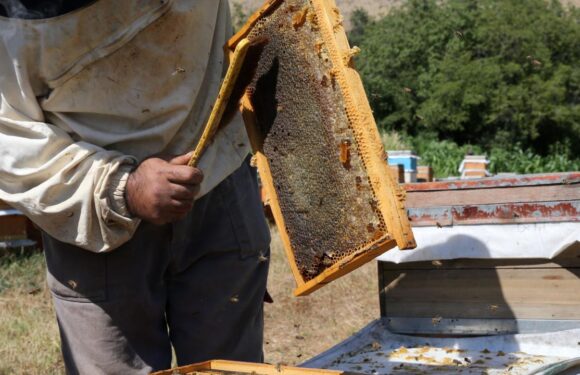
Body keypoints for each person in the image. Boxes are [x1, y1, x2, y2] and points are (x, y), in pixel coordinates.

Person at [0, 0, 271, 373]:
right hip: (90, 217)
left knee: (230, 367)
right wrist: (121, 188)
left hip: (217, 172)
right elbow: (9, 142)